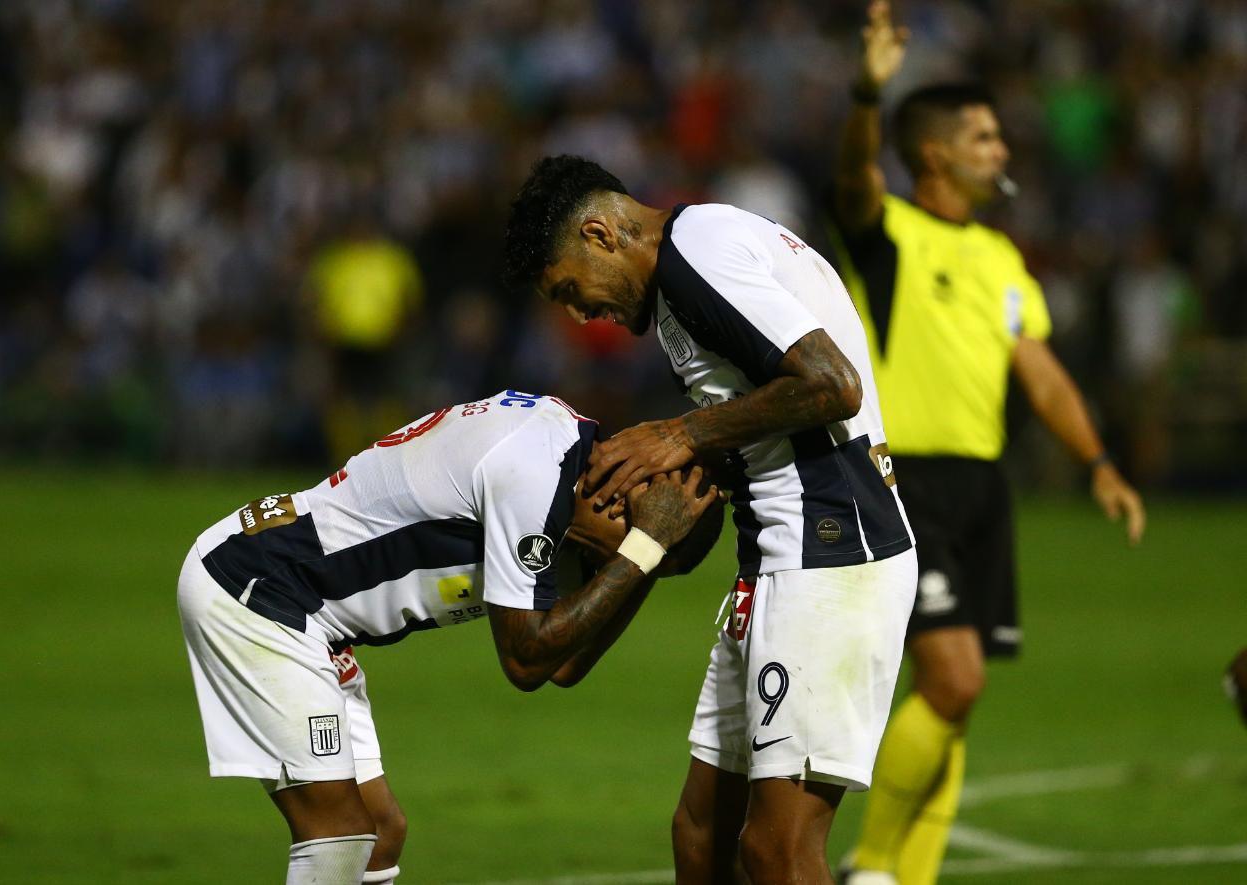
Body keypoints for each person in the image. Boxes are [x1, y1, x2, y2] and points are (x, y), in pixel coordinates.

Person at [503, 155, 918, 884]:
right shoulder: (687, 273)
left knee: (777, 851)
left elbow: (832, 384)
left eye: (572, 289)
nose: (579, 314)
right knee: (702, 834)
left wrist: (681, 434)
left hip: (831, 548)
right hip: (779, 556)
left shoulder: (697, 253)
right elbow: (761, 421)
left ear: (600, 233)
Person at [824, 5, 1147, 883]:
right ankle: (873, 866)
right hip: (905, 482)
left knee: (956, 701)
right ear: (934, 153)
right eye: (983, 135)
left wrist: (1100, 462)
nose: (1002, 148)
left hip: (981, 488)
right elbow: (853, 176)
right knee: (954, 679)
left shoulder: (1003, 259)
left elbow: (1038, 373)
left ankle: (905, 876)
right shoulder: (888, 232)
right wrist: (866, 92)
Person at [178, 389, 723, 884]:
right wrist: (645, 551)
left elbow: (565, 662)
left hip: (306, 609)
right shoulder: (534, 474)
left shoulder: (568, 465)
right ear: (625, 501)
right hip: (260, 591)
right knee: (338, 833)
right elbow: (528, 661)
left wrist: (644, 558)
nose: (614, 565)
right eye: (627, 544)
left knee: (378, 834)